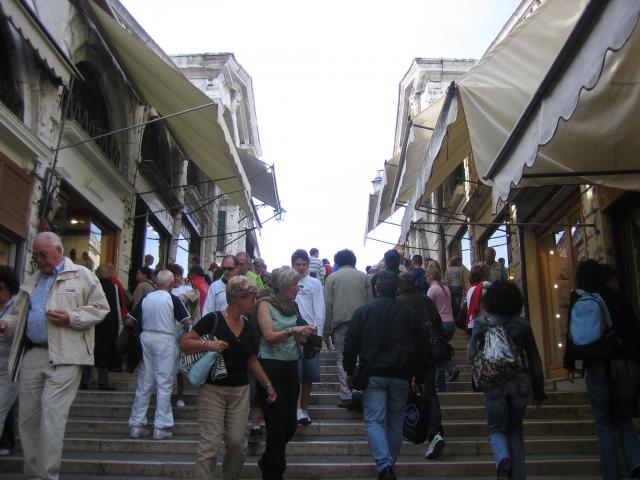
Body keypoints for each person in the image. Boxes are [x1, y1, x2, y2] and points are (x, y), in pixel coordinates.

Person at [0, 232, 109, 479]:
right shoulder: (33, 280)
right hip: (33, 353)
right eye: (36, 254)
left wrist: (72, 318)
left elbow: (101, 308)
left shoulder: (82, 275)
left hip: (67, 356)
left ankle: (46, 475)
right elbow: (18, 315)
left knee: (52, 417)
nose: (39, 259)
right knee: (27, 419)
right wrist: (7, 324)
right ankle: (33, 473)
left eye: (43, 254)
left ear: (59, 251)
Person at [180, 276, 277, 480]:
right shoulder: (213, 319)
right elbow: (185, 343)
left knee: (237, 444)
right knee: (210, 445)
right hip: (212, 390)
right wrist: (209, 345)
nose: (254, 302)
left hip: (240, 391)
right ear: (237, 298)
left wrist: (268, 385)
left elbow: (251, 360)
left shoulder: (250, 327)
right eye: (252, 297)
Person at [343, 269, 427, 480]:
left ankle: (384, 465)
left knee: (374, 421)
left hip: (373, 373)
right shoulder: (409, 313)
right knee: (396, 422)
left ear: (376, 288)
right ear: (397, 289)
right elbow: (420, 346)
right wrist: (419, 377)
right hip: (401, 375)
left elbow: (351, 343)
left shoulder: (363, 311)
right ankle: (389, 464)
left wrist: (350, 370)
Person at [564, 260, 640, 480]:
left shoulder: (579, 297)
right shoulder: (617, 296)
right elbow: (634, 330)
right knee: (624, 417)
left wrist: (569, 363)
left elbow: (572, 332)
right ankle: (635, 461)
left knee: (604, 422)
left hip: (597, 363)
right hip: (626, 363)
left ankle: (611, 473)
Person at [468, 281, 546, 480]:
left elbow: (471, 354)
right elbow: (534, 359)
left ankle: (502, 457)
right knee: (516, 431)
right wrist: (538, 390)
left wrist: (478, 379)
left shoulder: (481, 323)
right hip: (520, 382)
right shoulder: (523, 325)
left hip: (494, 382)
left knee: (497, 429)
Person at [256, 266, 317, 479]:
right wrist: (292, 330)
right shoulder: (264, 305)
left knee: (289, 424)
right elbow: (269, 336)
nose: (297, 289)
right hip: (270, 366)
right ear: (283, 285)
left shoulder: (292, 306)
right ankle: (274, 471)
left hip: (290, 365)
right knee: (275, 421)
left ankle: (268, 460)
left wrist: (307, 331)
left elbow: (299, 326)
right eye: (294, 285)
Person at [127, 270, 191, 440]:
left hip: (146, 338)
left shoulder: (147, 298)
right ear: (170, 285)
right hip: (165, 339)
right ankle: (161, 426)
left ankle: (137, 424)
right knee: (164, 383)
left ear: (156, 283)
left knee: (144, 382)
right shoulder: (172, 299)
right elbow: (187, 322)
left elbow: (130, 320)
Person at [396, 272, 446, 460]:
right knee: (430, 395)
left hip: (404, 358)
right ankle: (435, 433)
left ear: (398, 287)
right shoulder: (426, 301)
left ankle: (411, 428)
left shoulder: (397, 303)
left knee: (404, 395)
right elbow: (439, 328)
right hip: (426, 358)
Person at [324, 249, 373, 409]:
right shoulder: (363, 277)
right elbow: (370, 301)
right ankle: (360, 391)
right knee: (361, 357)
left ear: (337, 262)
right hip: (364, 324)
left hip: (341, 325)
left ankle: (346, 395)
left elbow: (328, 306)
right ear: (354, 261)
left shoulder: (332, 278)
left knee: (341, 359)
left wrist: (326, 329)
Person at [291, 249, 325, 425]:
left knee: (308, 376)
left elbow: (320, 310)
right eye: (298, 264)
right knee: (295, 375)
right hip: (292, 335)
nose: (301, 267)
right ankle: (296, 409)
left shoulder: (315, 284)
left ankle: (304, 408)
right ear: (292, 264)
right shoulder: (287, 282)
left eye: (304, 264)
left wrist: (318, 335)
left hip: (311, 335)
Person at [81, 265, 121, 390]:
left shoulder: (91, 285)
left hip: (91, 323)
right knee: (104, 353)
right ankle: (103, 382)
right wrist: (118, 325)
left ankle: (84, 381)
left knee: (89, 351)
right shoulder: (112, 287)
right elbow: (116, 307)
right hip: (108, 325)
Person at [168, 263, 200, 408]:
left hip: (182, 332)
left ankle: (180, 395)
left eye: (178, 275)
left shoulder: (186, 289)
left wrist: (180, 297)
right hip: (167, 333)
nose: (176, 278)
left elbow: (195, 294)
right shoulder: (163, 291)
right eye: (173, 274)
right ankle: (166, 396)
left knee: (179, 368)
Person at [426, 267, 459, 391]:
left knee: (437, 355)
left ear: (430, 277)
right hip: (451, 323)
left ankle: (441, 383)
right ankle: (449, 370)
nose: (426, 280)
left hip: (440, 324)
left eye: (427, 277)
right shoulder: (446, 289)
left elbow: (428, 309)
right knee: (440, 351)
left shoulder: (432, 290)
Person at [0, 266, 19, 457]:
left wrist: (8, 327)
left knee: (5, 404)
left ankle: (7, 441)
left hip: (8, 365)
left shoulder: (17, 305)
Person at [466, 263, 491, 333]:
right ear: (484, 275)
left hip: (472, 324)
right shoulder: (485, 287)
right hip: (484, 324)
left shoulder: (470, 289)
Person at [444, 256, 466, 321]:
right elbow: (461, 280)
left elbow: (446, 279)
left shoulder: (448, 269)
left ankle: (452, 316)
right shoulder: (459, 269)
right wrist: (464, 288)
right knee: (458, 303)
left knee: (451, 303)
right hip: (458, 287)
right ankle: (457, 318)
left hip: (450, 287)